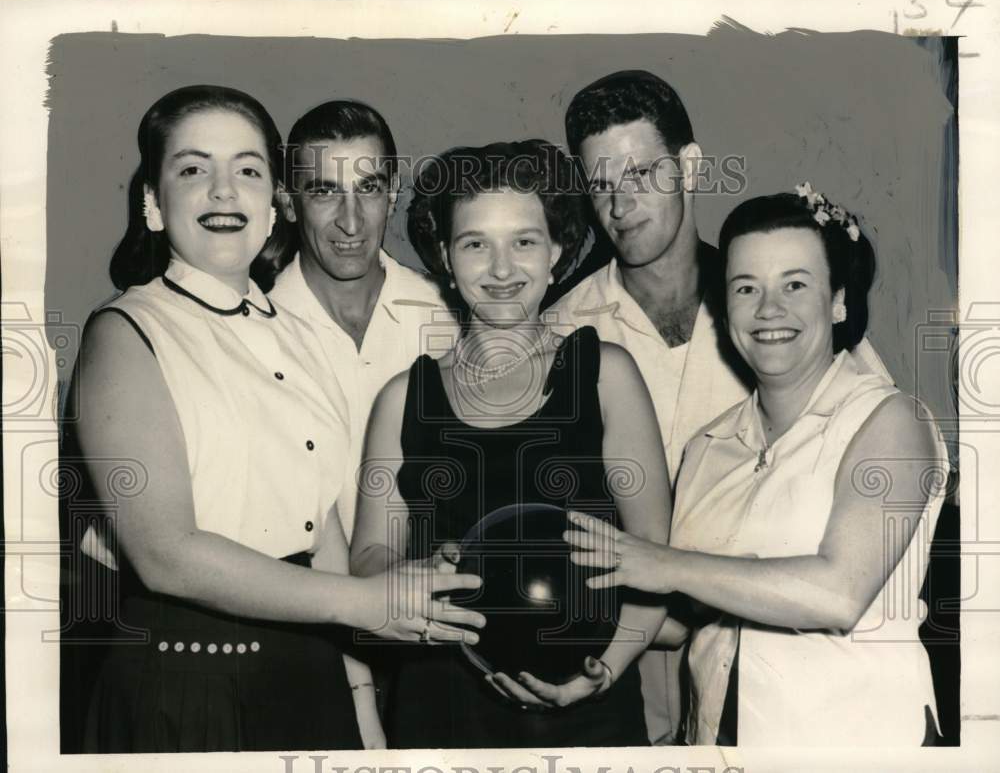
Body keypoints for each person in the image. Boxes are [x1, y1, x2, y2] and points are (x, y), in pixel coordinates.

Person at [61, 85, 483, 754]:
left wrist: (362, 711)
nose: (226, 192)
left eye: (247, 170)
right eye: (195, 169)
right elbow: (164, 553)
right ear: (151, 202)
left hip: (311, 677)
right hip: (188, 679)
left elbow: (325, 538)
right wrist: (365, 603)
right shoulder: (125, 330)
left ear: (269, 203)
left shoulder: (286, 334)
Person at [546, 68, 892, 744]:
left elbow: (880, 453)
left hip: (789, 682)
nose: (622, 204)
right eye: (602, 184)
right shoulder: (562, 334)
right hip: (619, 680)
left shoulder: (779, 315)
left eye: (642, 174)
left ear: (691, 165)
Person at [565, 188, 946, 746]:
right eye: (746, 288)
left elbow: (837, 595)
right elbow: (690, 612)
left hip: (863, 746)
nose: (769, 310)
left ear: (838, 300)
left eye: (795, 284)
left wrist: (665, 564)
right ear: (725, 307)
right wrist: (594, 662)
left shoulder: (889, 420)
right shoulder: (708, 447)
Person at [351, 140, 682, 748]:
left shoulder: (605, 374)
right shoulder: (404, 398)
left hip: (587, 706)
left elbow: (655, 561)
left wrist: (605, 671)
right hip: (440, 704)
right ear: (446, 258)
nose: (502, 270)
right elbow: (369, 559)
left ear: (556, 251)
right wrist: (413, 575)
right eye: (476, 243)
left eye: (524, 241)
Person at [259, 100, 458, 542]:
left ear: (391, 195)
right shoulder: (253, 331)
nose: (351, 222)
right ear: (289, 202)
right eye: (325, 192)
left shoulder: (451, 319)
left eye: (367, 189)